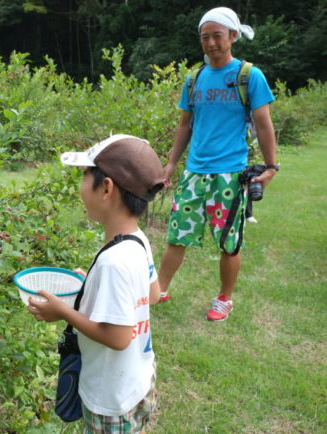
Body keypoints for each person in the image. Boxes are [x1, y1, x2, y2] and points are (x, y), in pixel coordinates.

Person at [28, 134, 164, 433]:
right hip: (138, 380)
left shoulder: (113, 262)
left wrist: (62, 312)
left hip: (109, 398)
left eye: (84, 176)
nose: (80, 188)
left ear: (106, 188)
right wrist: (91, 284)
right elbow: (152, 294)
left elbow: (117, 337)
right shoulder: (137, 240)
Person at [157, 7, 279, 321]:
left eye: (217, 36)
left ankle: (225, 298)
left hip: (230, 174)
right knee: (176, 235)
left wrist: (271, 167)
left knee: (229, 242)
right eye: (205, 37)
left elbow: (264, 124)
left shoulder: (249, 76)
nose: (211, 43)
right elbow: (185, 125)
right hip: (194, 173)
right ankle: (160, 289)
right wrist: (171, 164)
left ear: (233, 36)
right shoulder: (194, 78)